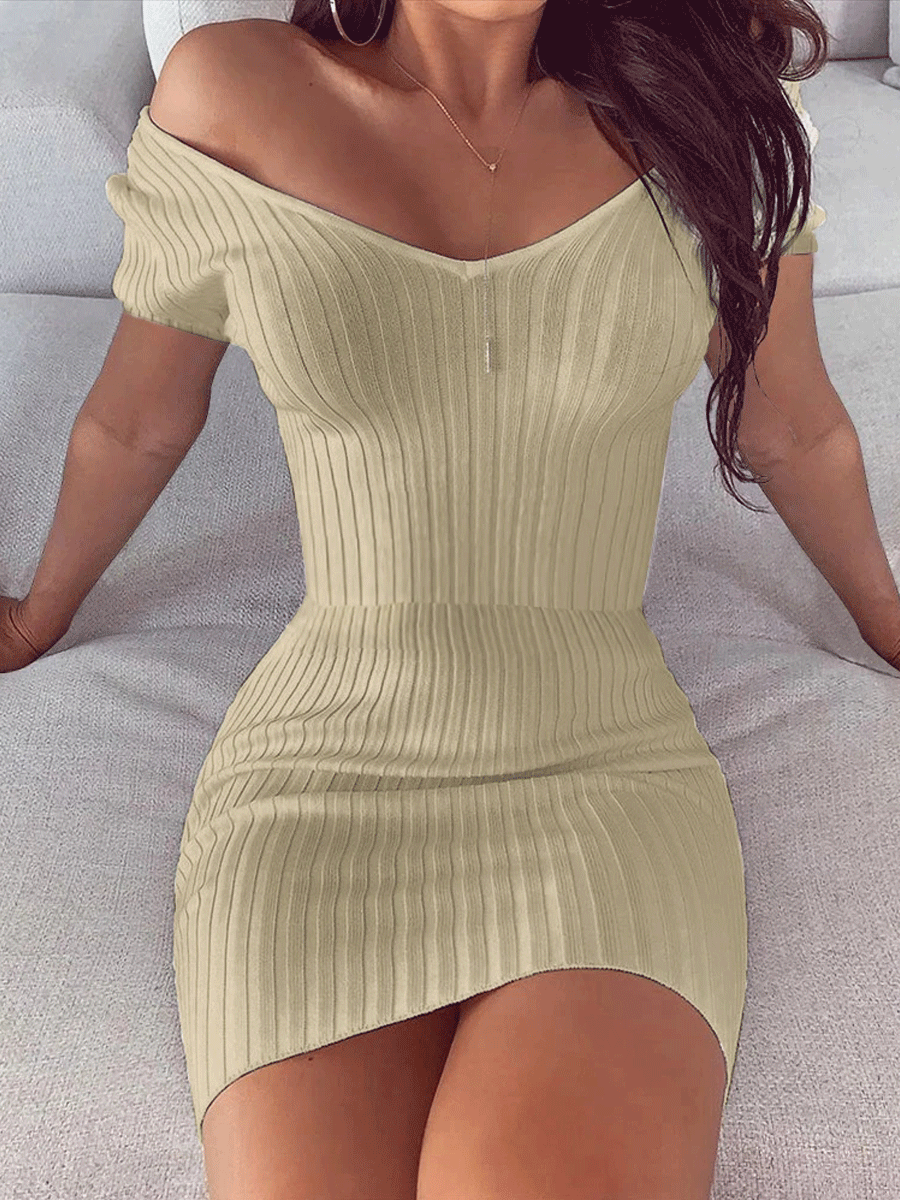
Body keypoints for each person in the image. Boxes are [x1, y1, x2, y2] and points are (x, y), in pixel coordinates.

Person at [5, 1, 845, 1196]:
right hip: (318, 785)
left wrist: (889, 622)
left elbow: (793, 424)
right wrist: (39, 612)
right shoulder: (234, 88)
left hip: (604, 779)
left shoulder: (711, 113)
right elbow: (137, 418)